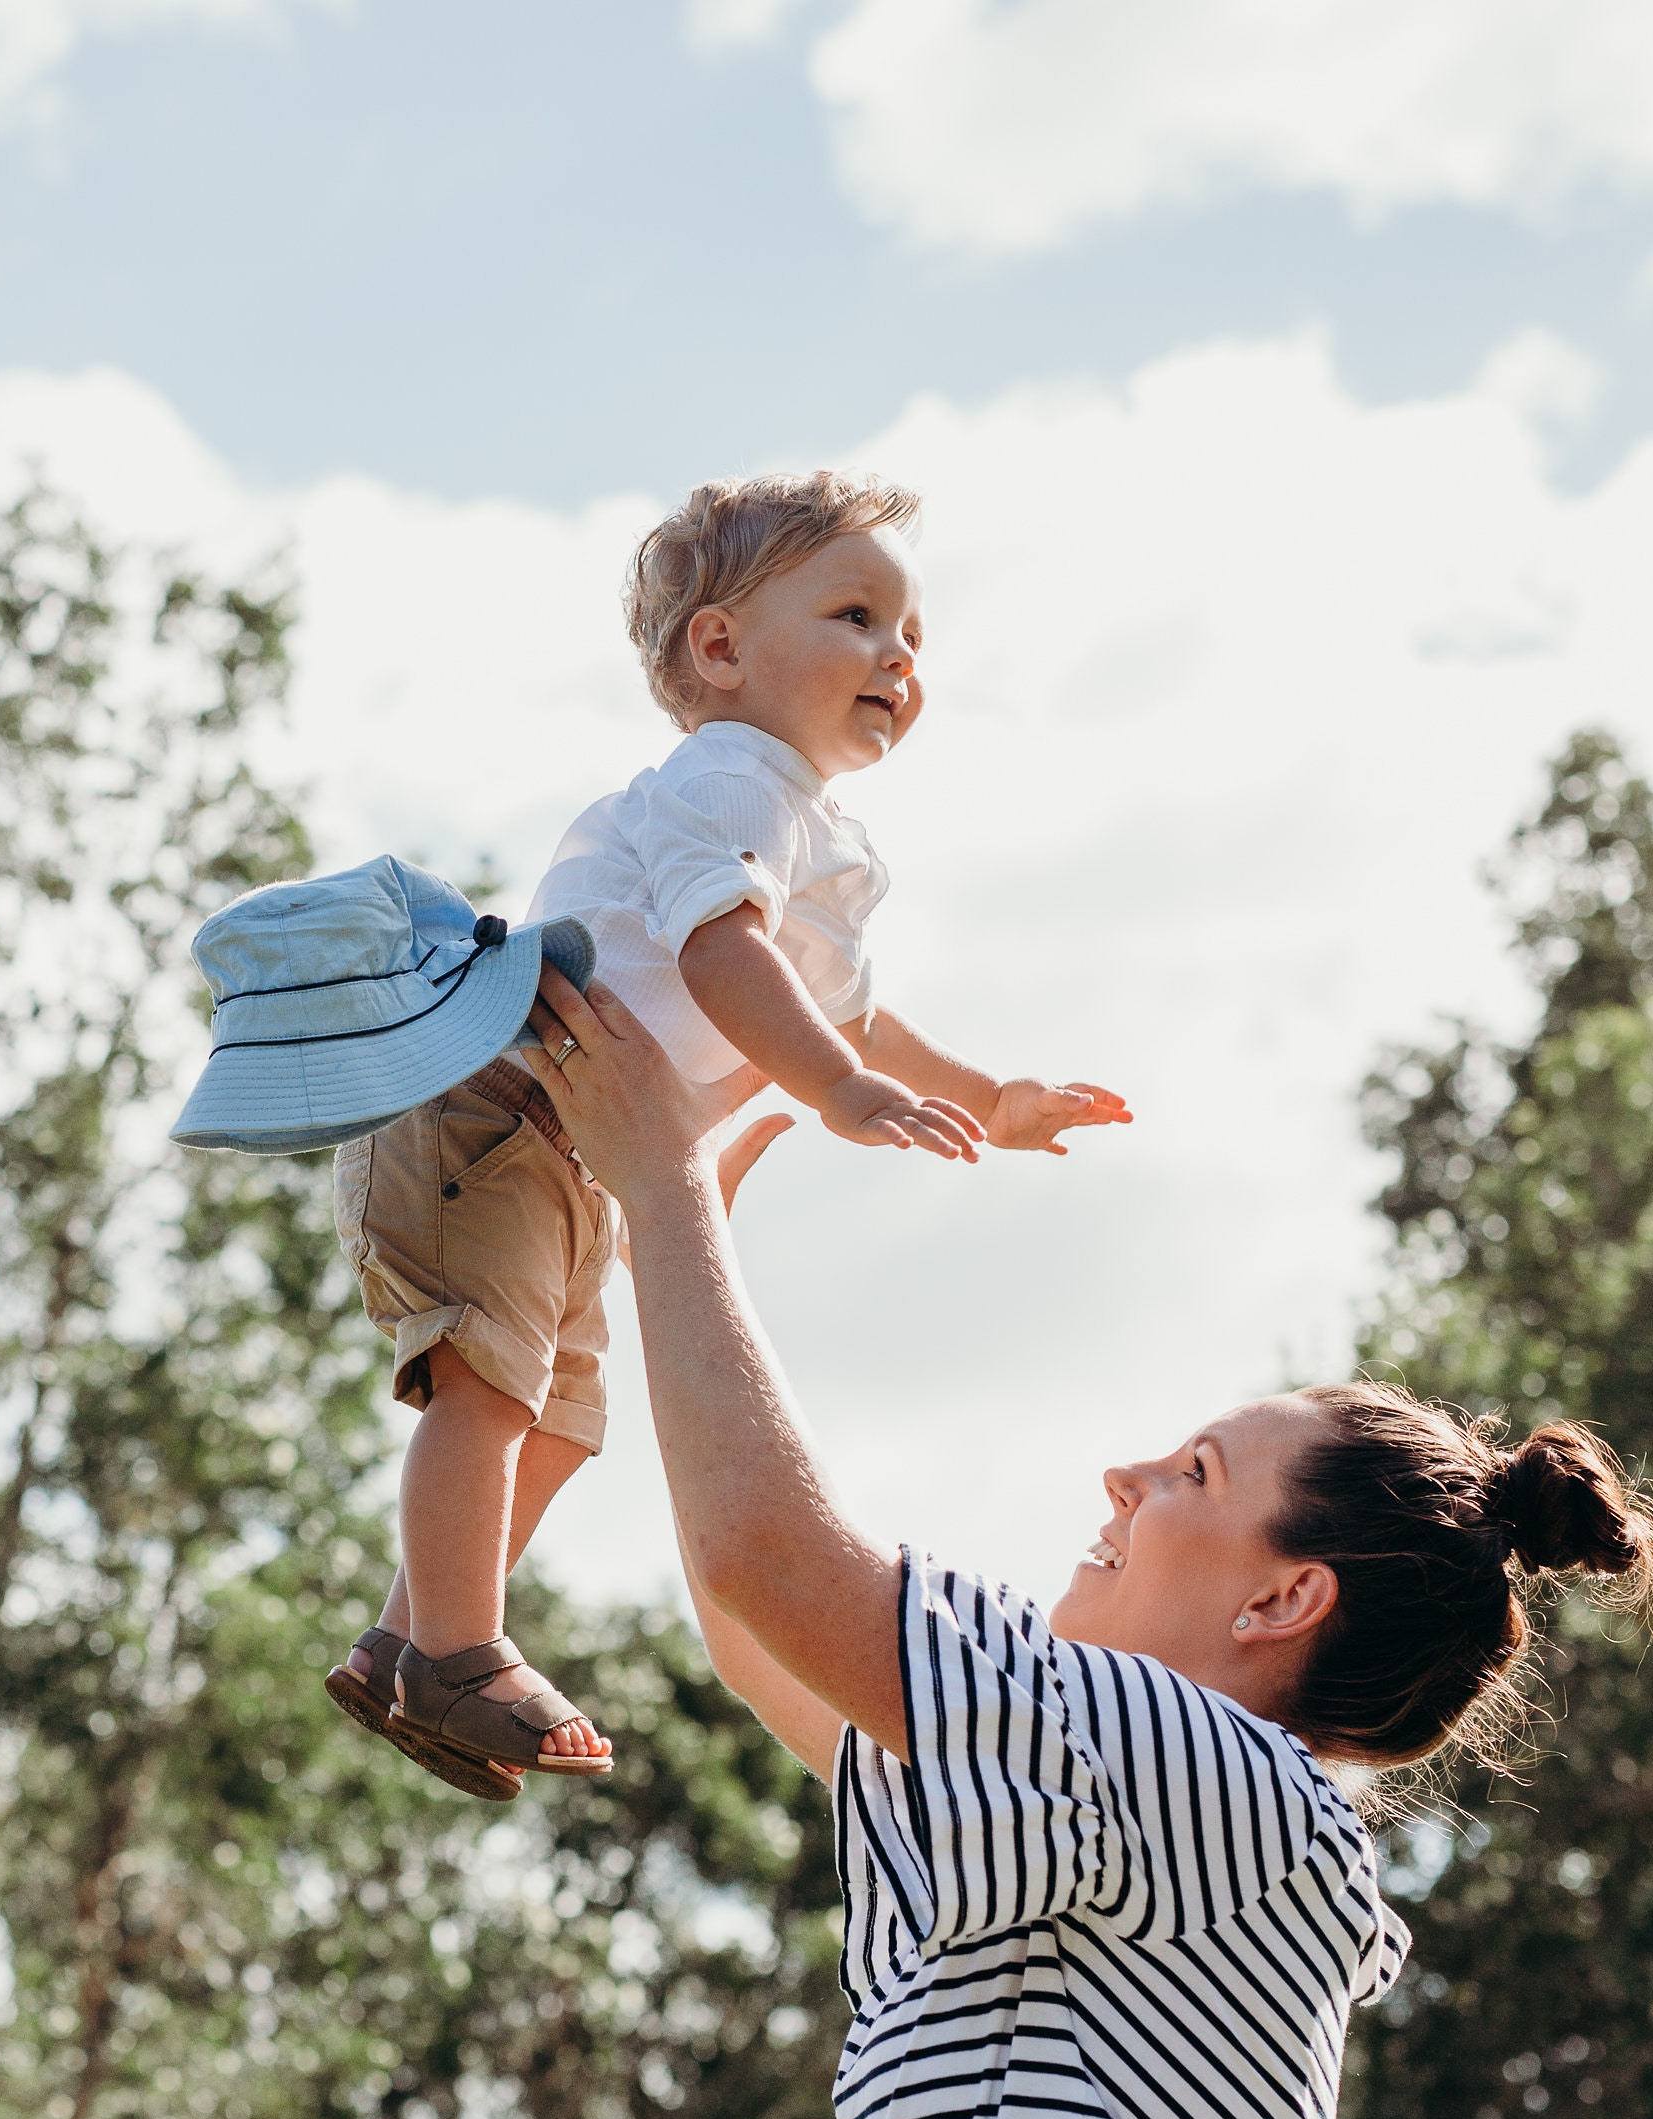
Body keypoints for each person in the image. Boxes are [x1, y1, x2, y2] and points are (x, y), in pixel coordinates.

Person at [518, 965, 1653, 2119]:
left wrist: (669, 1185)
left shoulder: (1215, 1772)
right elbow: (759, 1637)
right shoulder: (1133, 1796)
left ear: (1282, 1598)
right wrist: (670, 1232)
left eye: (1192, 1473)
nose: (1121, 1477)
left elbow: (773, 1567)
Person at [320, 469, 1126, 1799]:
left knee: (565, 1421)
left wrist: (994, 1099)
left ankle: (408, 1640)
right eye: (859, 615)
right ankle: (459, 1651)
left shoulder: (810, 834)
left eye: (913, 636)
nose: (899, 655)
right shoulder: (728, 784)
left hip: (572, 1145)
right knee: (493, 1385)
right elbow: (720, 955)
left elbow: (856, 1018)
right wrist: (832, 1090)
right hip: (493, 1096)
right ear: (721, 647)